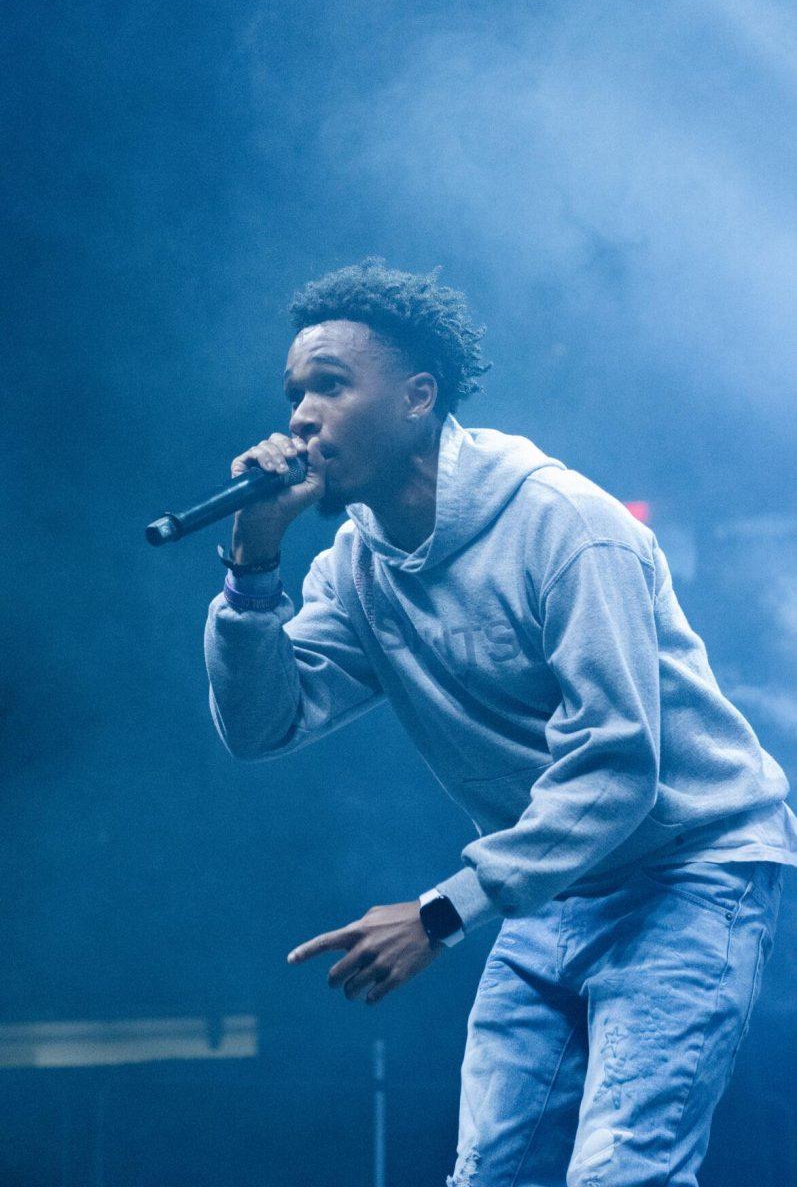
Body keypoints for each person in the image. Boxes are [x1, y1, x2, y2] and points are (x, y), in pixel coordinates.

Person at [204, 258, 796, 1187]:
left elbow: (614, 768)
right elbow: (260, 726)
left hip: (692, 869)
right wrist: (252, 563)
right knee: (491, 1174)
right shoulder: (357, 565)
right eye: (293, 394)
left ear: (416, 397)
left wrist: (441, 914)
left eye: (329, 385)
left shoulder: (564, 524)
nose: (300, 417)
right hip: (553, 879)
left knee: (622, 1173)